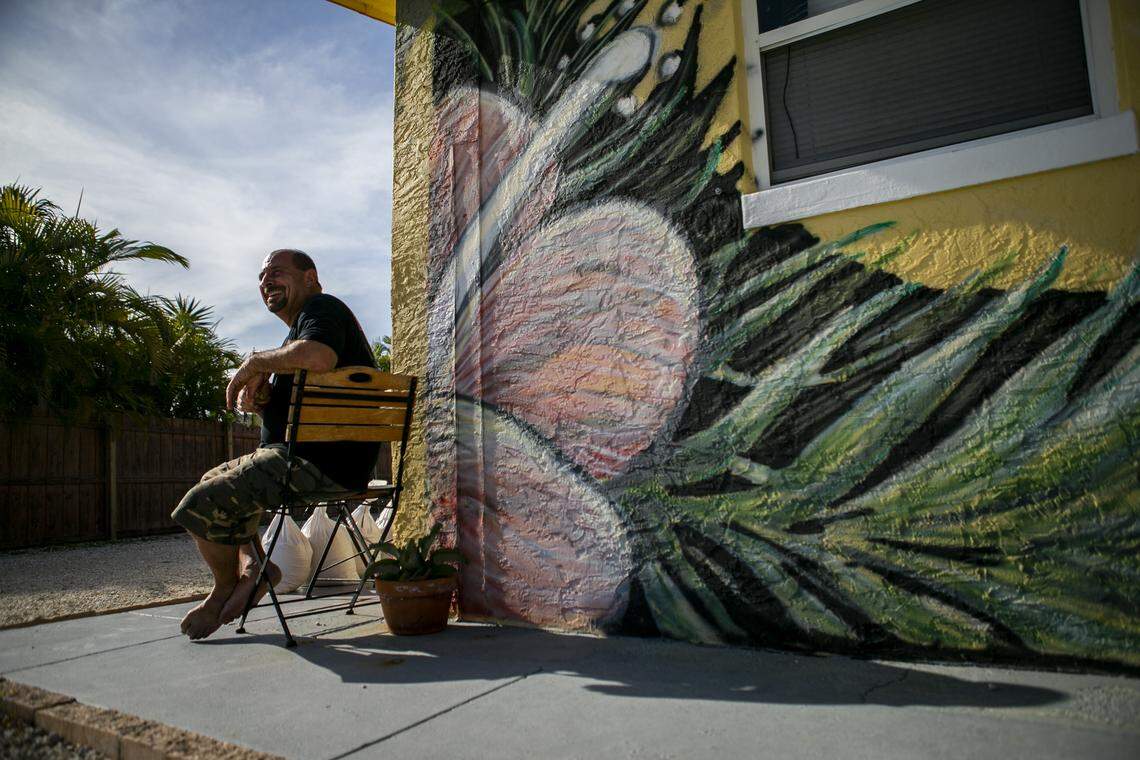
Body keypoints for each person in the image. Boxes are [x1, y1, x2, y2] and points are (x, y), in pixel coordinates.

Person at [170, 248, 380, 640]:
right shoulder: (299, 331)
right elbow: (308, 379)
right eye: (262, 277)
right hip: (310, 461)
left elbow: (320, 357)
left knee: (202, 500)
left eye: (277, 272)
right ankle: (255, 566)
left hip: (318, 464)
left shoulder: (321, 309)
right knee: (213, 479)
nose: (266, 281)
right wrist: (267, 400)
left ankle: (225, 588)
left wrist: (255, 362)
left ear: (310, 278)